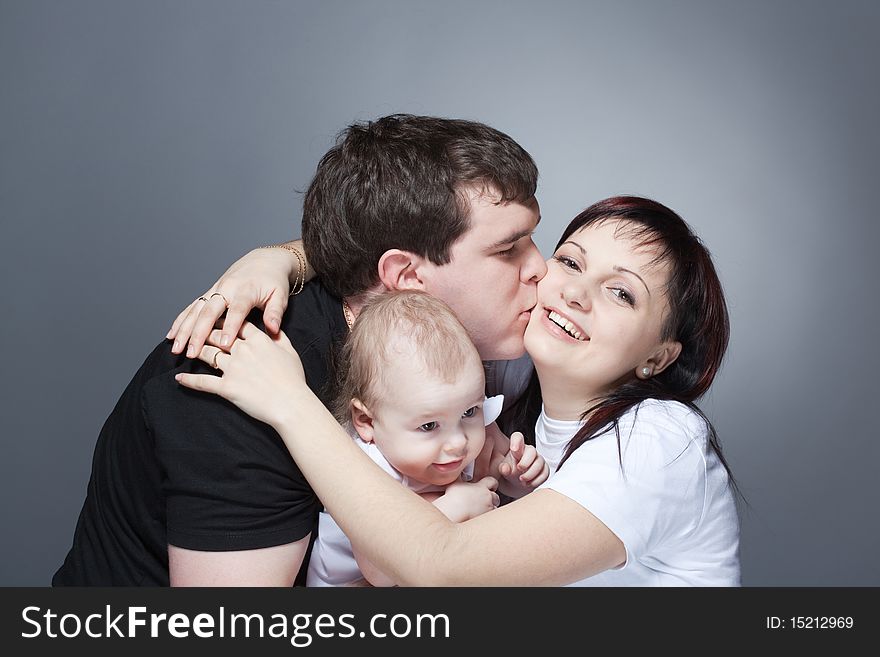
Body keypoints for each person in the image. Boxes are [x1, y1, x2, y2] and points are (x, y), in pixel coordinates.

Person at [53, 114, 545, 586]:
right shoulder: (238, 375)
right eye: (508, 250)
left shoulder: (480, 336)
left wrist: (285, 255)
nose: (540, 268)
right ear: (408, 277)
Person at [177, 196, 742, 586]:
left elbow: (442, 567)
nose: (575, 293)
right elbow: (410, 264)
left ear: (658, 356)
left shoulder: (660, 440)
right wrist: (279, 257)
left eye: (622, 294)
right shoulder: (499, 376)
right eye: (569, 261)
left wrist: (291, 406)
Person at [307, 290, 547, 586]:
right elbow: (379, 571)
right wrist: (452, 509)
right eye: (429, 425)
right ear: (367, 421)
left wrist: (514, 478)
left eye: (470, 411)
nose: (458, 442)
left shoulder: (453, 440)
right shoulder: (366, 468)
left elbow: (491, 478)